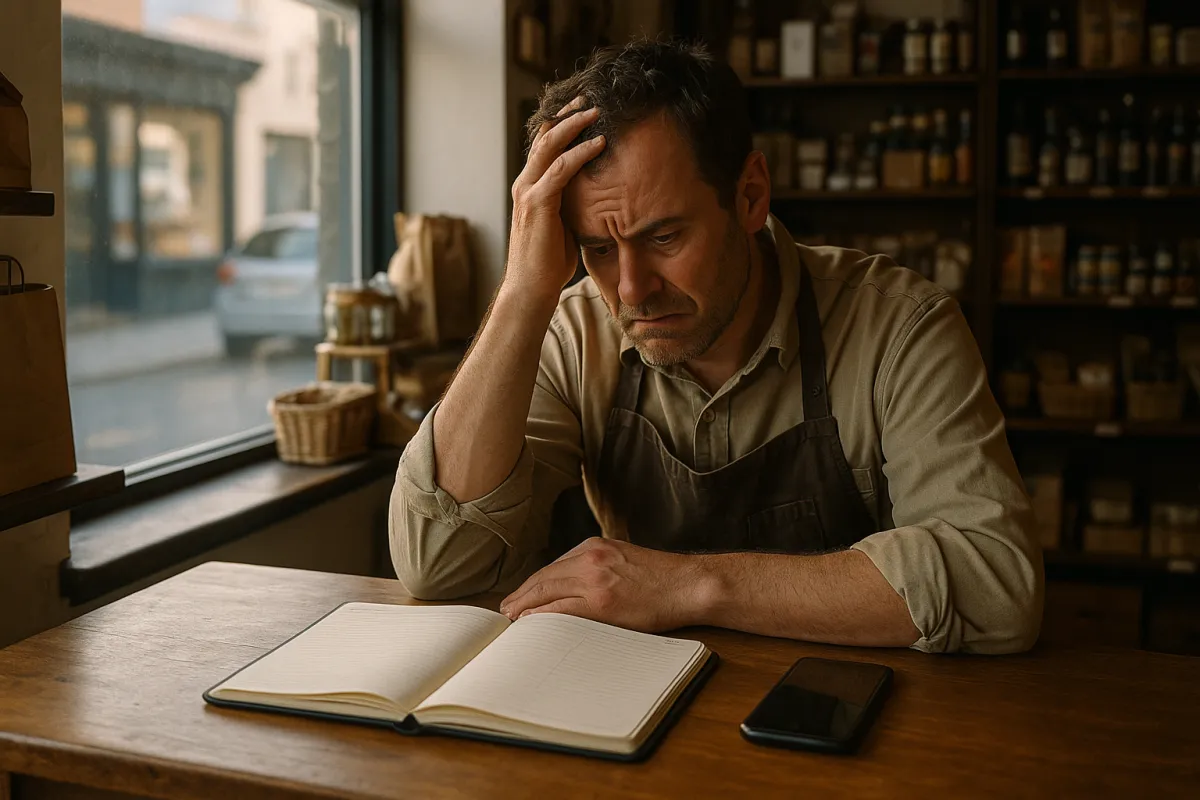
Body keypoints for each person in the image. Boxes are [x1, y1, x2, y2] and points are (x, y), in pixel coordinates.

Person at [389, 40, 1042, 654]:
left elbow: (994, 582)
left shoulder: (899, 327)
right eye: (599, 250)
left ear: (750, 195)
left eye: (665, 237)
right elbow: (440, 562)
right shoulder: (574, 330)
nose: (633, 289)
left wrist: (694, 585)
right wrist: (524, 293)